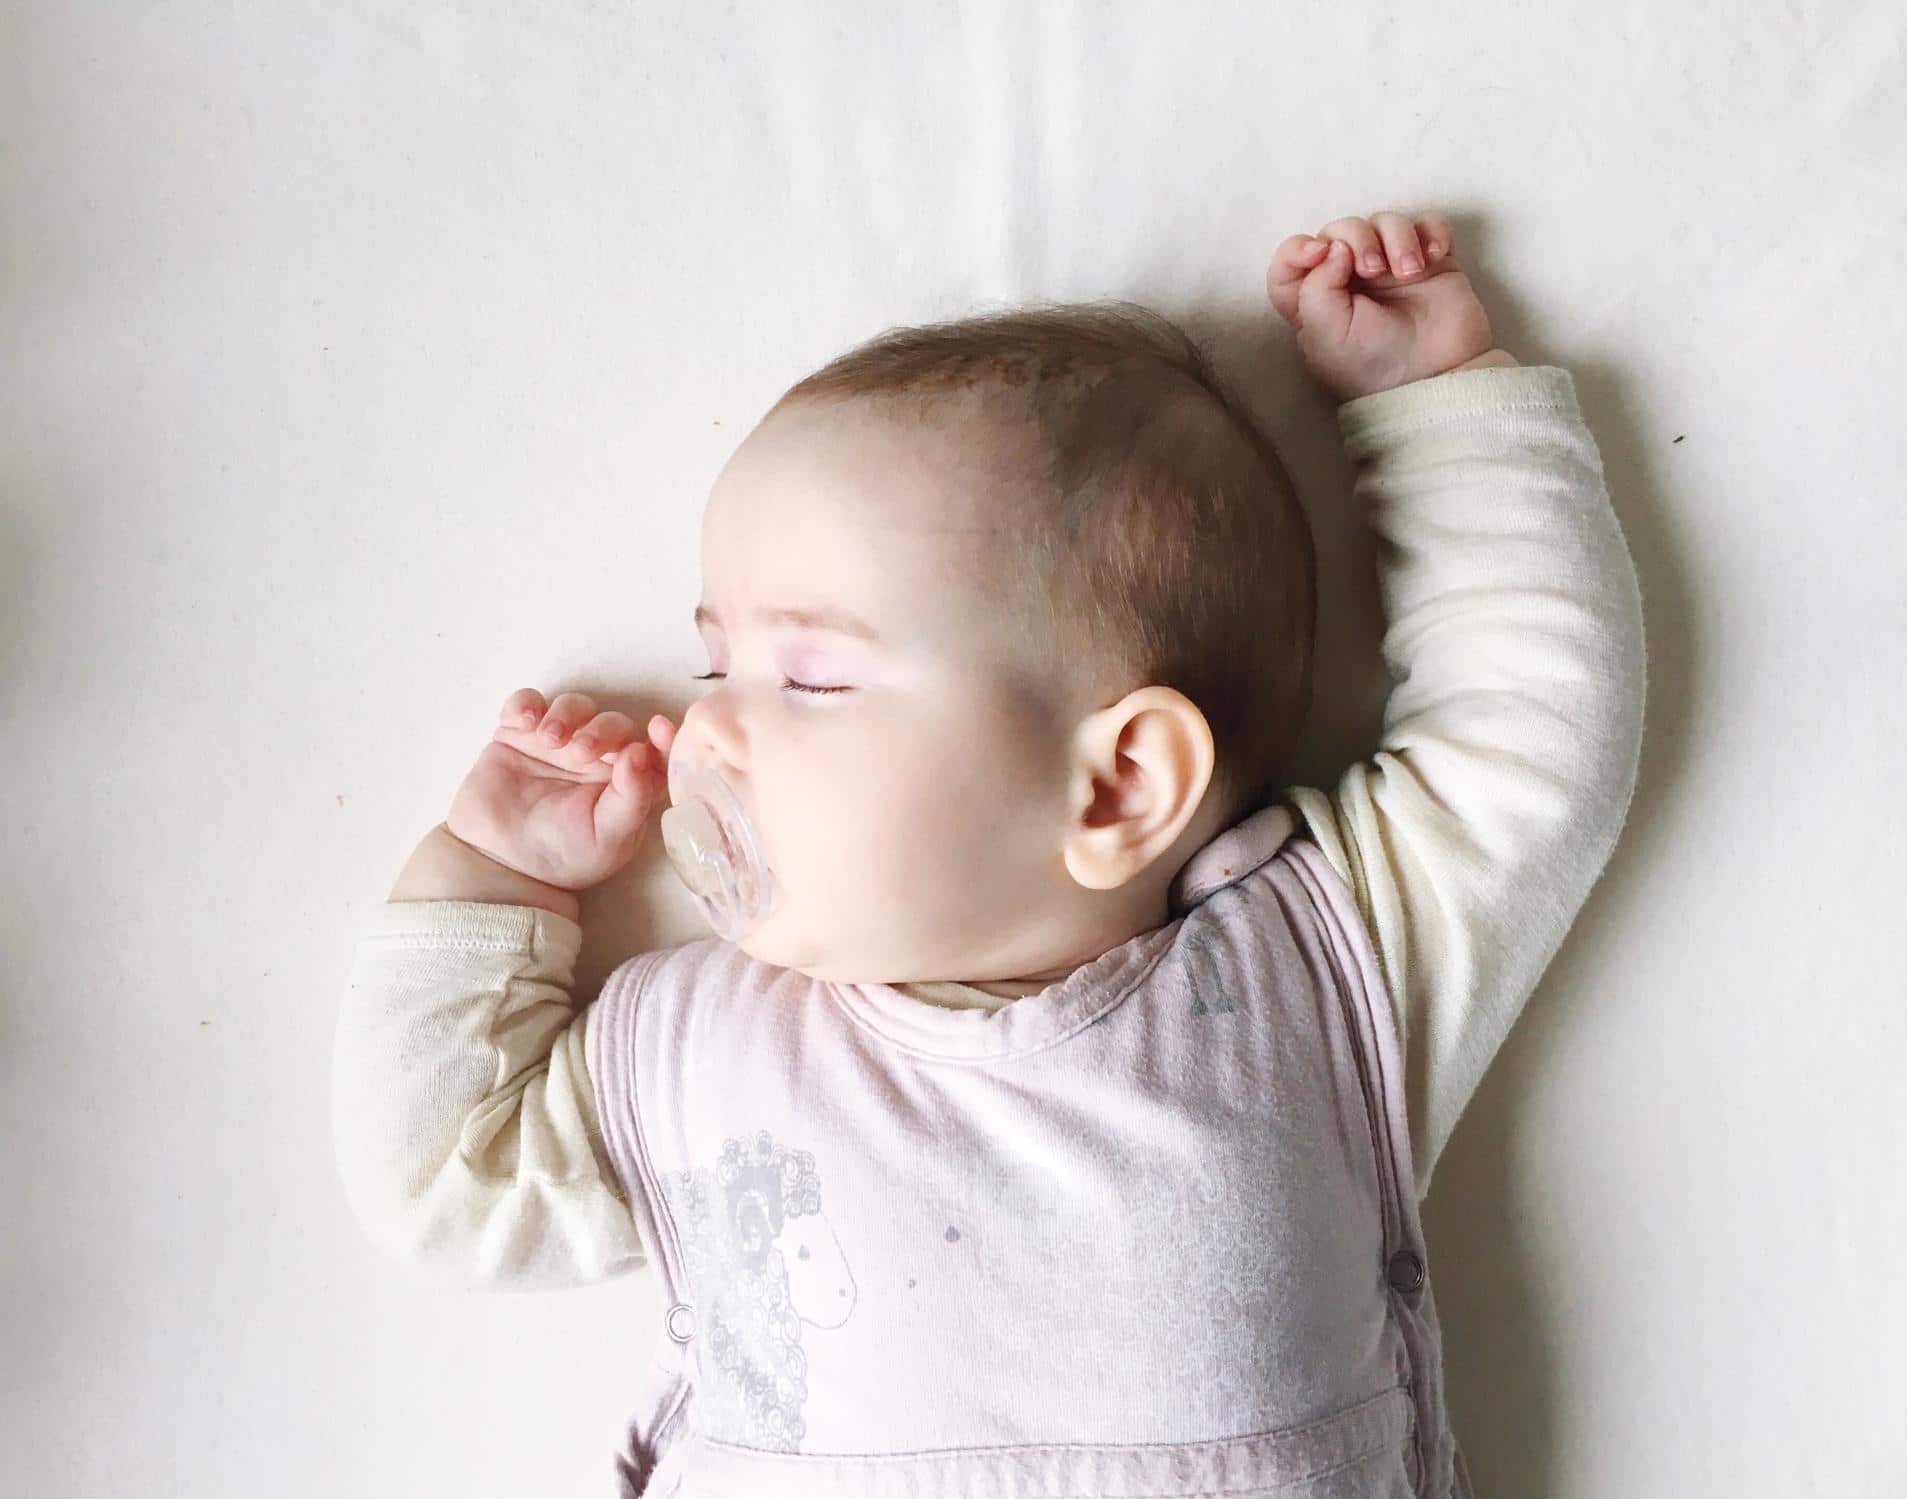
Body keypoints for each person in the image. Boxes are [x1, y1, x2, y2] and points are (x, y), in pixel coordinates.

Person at [334, 208, 1647, 1497]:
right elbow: (453, 1184)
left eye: (812, 677)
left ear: (1120, 782)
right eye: (713, 659)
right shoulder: (701, 1055)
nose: (706, 726)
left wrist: (1436, 407)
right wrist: (490, 878)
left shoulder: (1314, 980)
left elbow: (1533, 734)